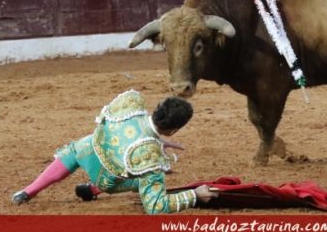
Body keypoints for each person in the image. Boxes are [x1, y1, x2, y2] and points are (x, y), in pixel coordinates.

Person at [11, 90, 217, 214]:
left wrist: (155, 141)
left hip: (86, 153)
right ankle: (92, 190)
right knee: (142, 179)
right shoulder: (149, 155)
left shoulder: (131, 104)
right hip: (104, 179)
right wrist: (194, 196)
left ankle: (27, 191)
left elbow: (132, 133)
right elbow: (155, 207)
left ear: (157, 108)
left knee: (77, 148)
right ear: (173, 130)